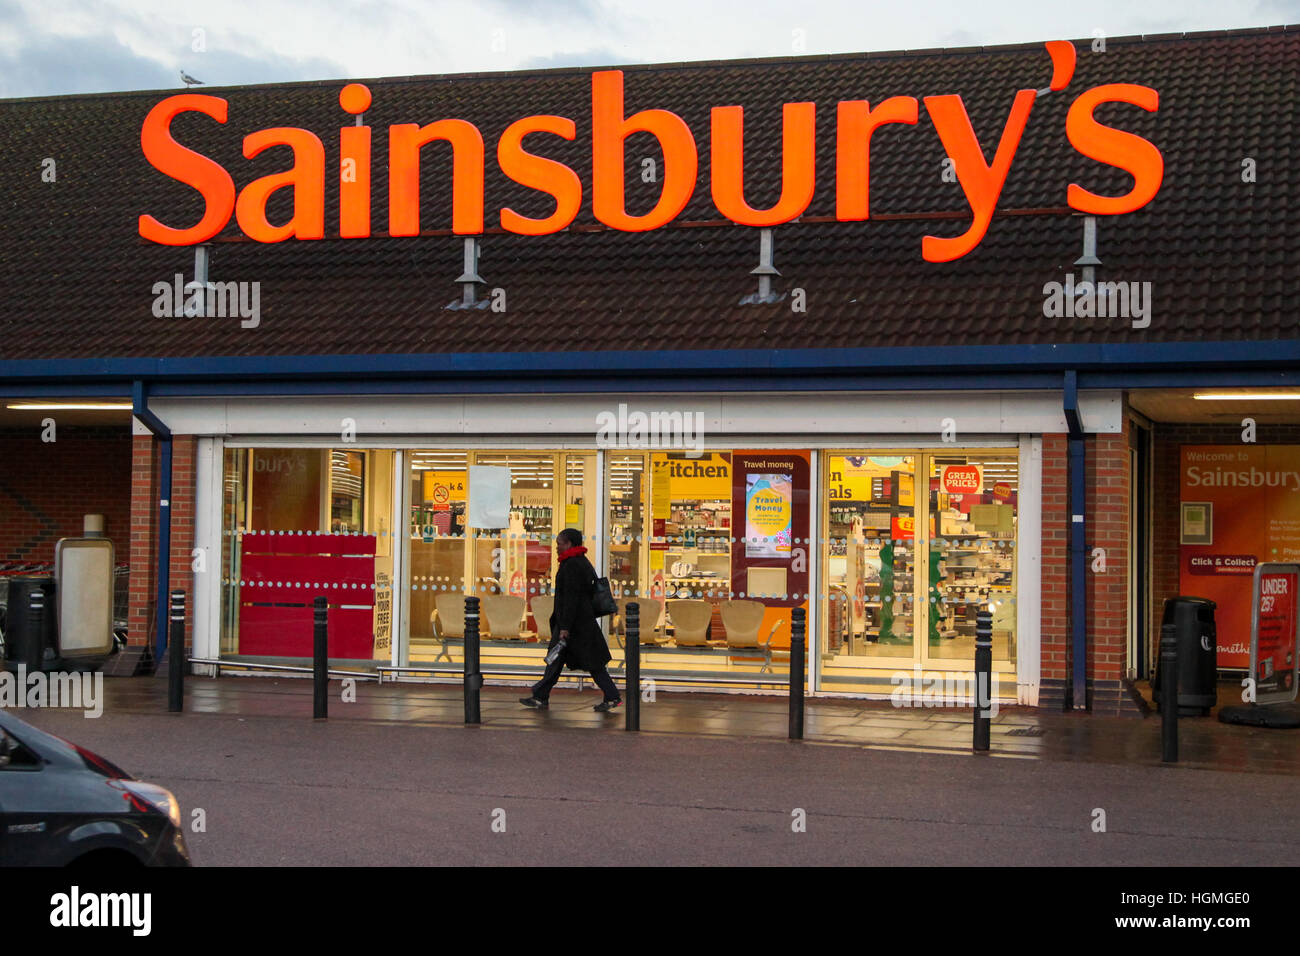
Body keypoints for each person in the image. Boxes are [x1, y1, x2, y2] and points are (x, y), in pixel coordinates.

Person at [519, 528, 622, 712]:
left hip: (574, 625)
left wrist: (565, 626)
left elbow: (571, 598)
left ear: (569, 544)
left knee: (585, 662)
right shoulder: (581, 562)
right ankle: (541, 695)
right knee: (562, 660)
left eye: (560, 543)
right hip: (579, 623)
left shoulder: (571, 565)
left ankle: (612, 696)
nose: (557, 547)